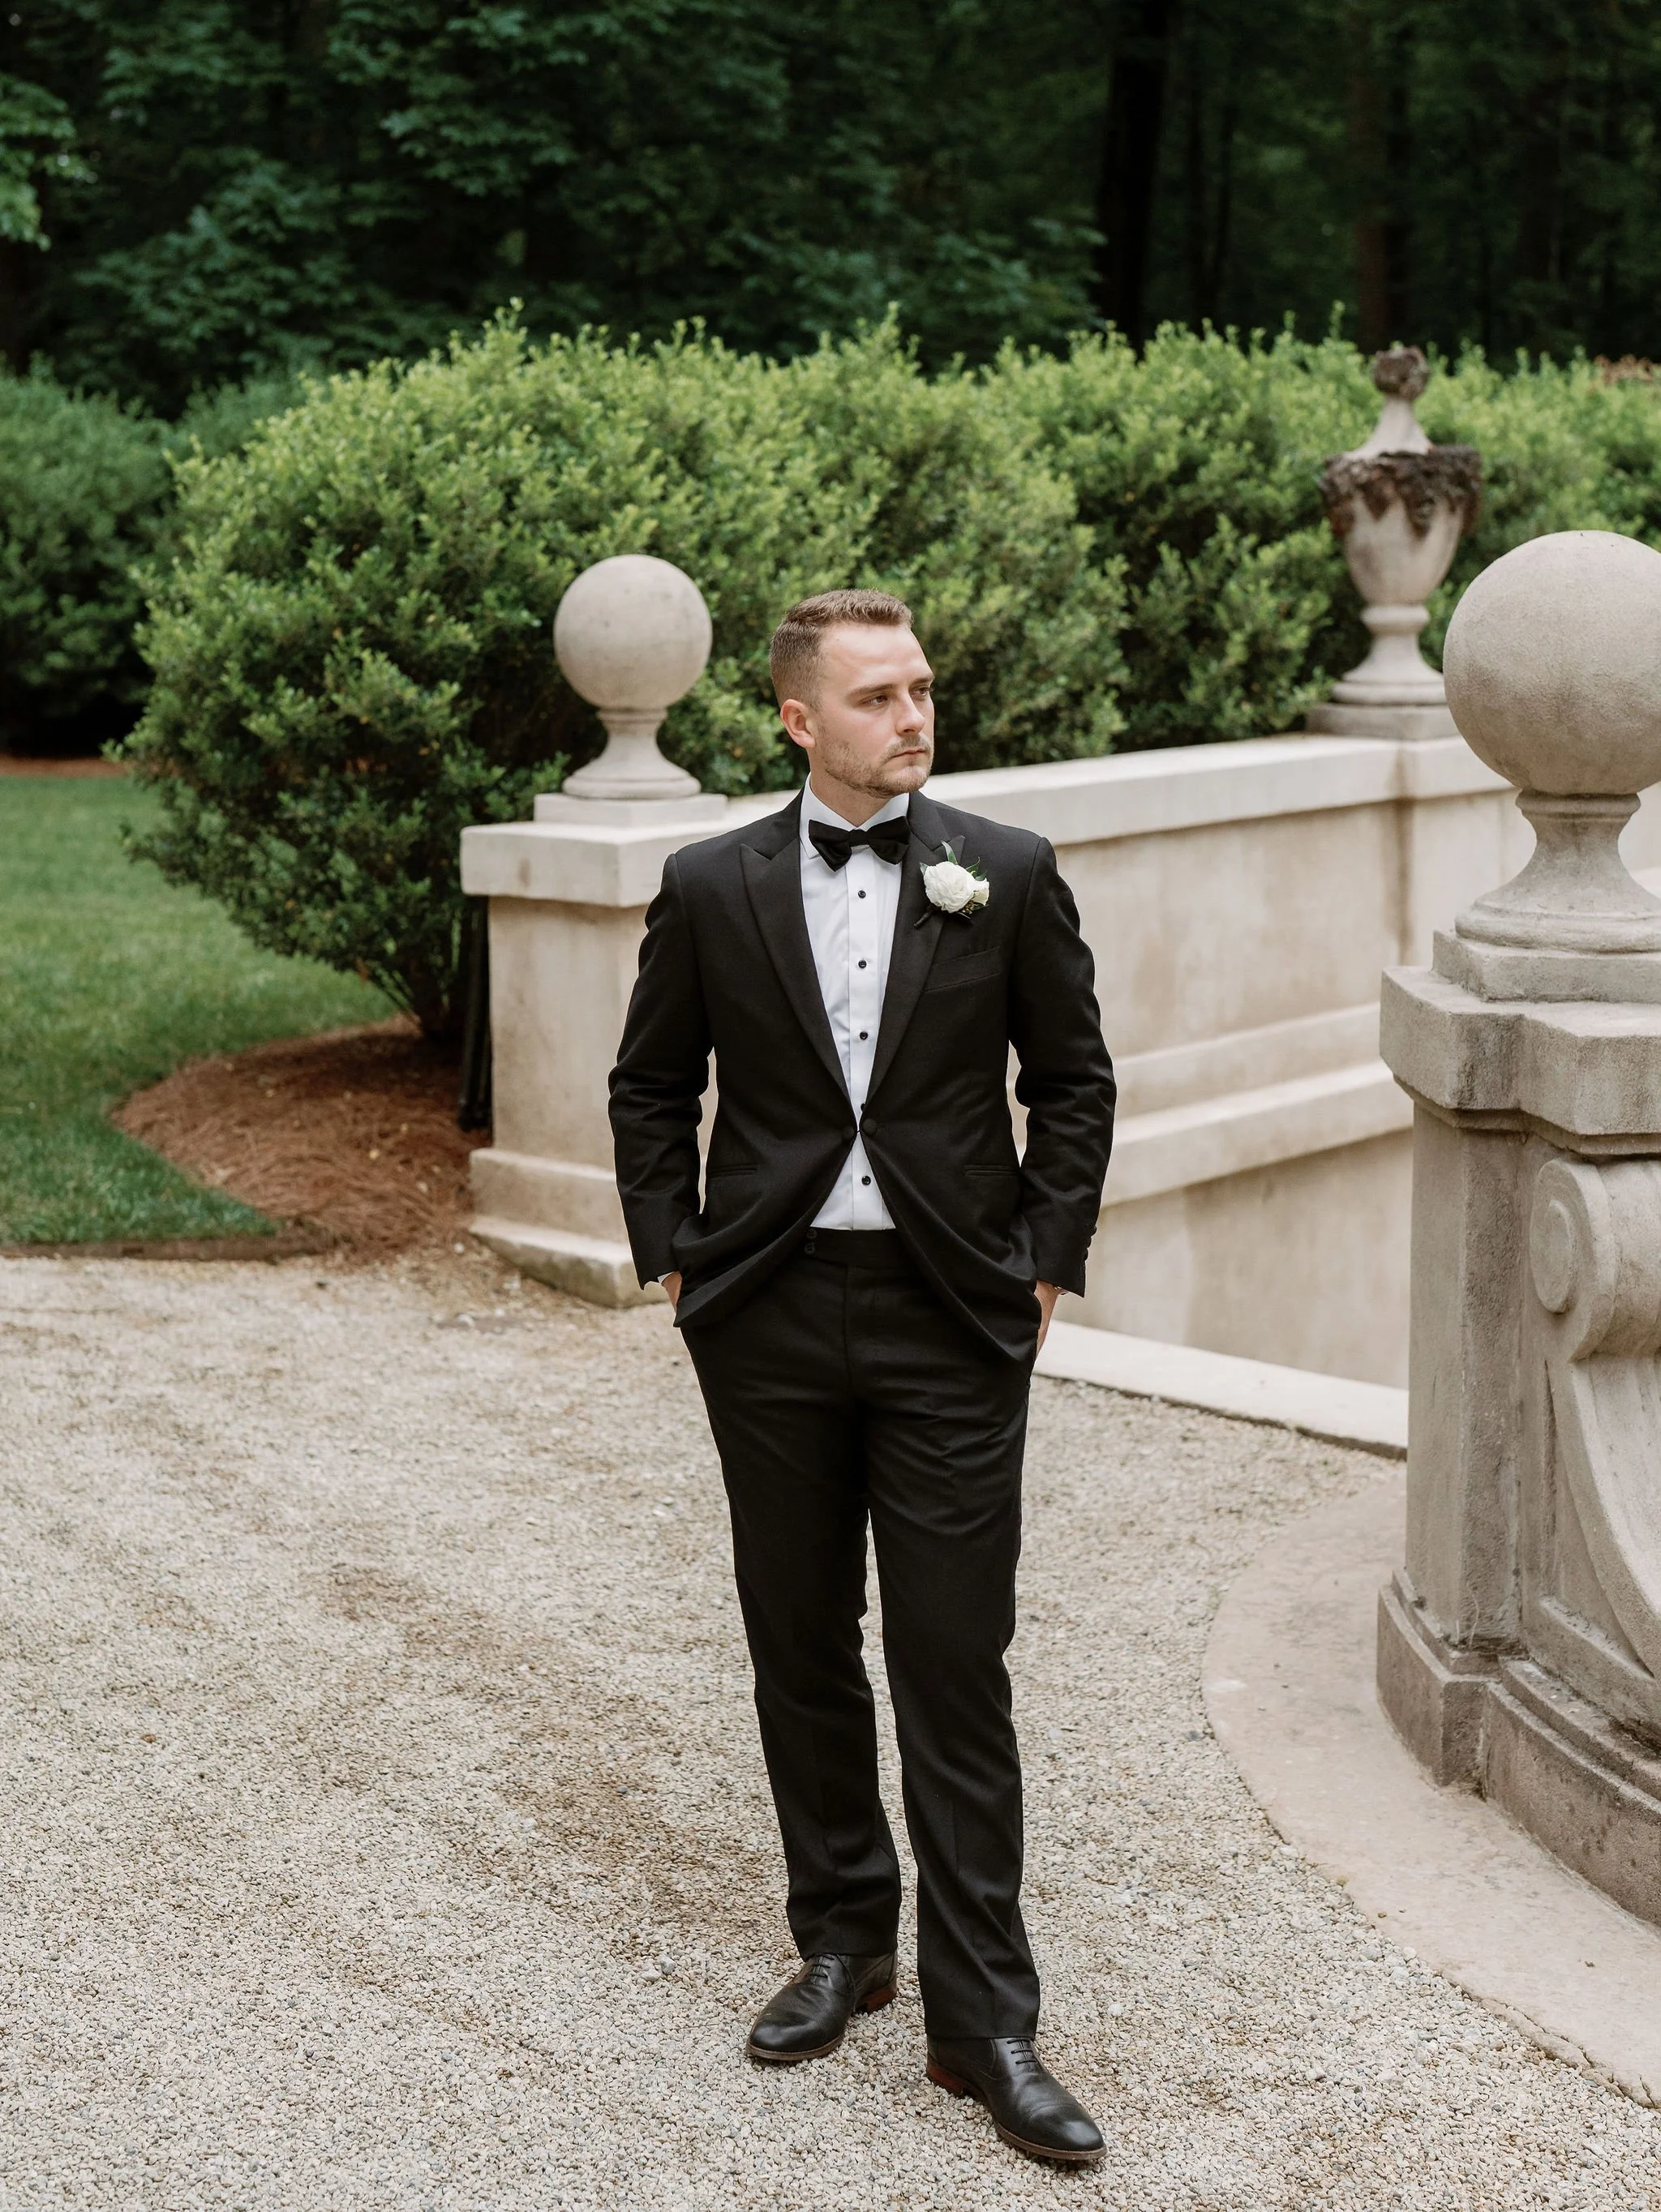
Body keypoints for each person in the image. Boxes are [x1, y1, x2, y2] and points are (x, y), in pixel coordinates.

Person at [608, 589, 1116, 2166]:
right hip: (763, 1309)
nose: (914, 714)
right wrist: (675, 1255)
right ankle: (843, 1936)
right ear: (796, 718)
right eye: (879, 695)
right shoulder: (709, 883)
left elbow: (1076, 1083)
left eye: (921, 687)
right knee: (800, 1639)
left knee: (955, 1662)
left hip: (952, 1312)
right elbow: (647, 1081)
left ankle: (986, 2024)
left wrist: (1037, 1256)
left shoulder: (1007, 874)